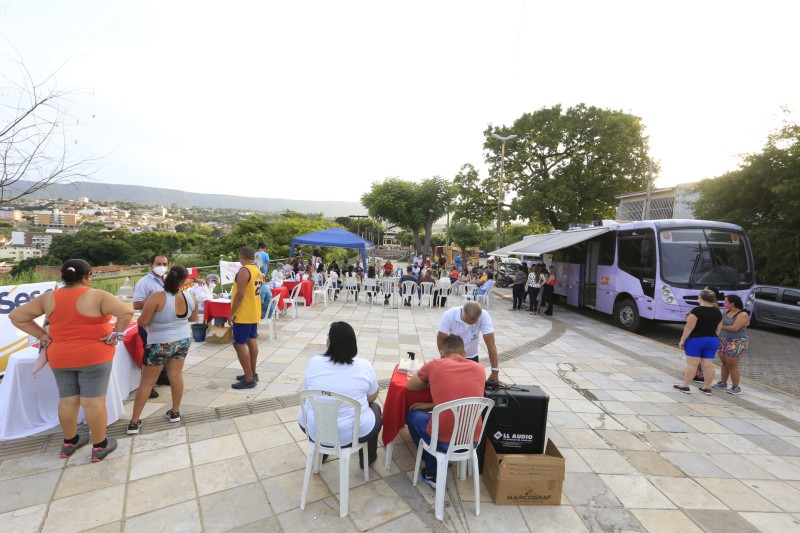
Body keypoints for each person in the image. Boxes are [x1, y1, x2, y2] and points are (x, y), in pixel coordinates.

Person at [9, 259, 133, 462]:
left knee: (67, 399)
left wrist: (42, 335)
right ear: (88, 276)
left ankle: (69, 441)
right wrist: (115, 336)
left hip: (61, 356)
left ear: (63, 276)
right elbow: (127, 312)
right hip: (95, 355)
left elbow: (16, 316)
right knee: (93, 402)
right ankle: (99, 445)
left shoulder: (49, 297)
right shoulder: (98, 295)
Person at [298, 322, 382, 469]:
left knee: (318, 405)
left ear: (330, 343)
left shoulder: (314, 363)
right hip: (351, 433)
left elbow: (308, 390)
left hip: (314, 427)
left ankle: (321, 452)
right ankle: (367, 458)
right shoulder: (364, 366)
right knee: (375, 408)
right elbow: (371, 397)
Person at [406, 334, 486, 487]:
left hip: (443, 441)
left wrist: (432, 382)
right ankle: (438, 459)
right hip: (472, 440)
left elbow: (410, 386)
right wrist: (430, 405)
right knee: (433, 417)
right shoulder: (480, 369)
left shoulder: (435, 365)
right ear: (464, 354)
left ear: (442, 352)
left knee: (411, 415)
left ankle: (431, 467)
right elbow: (462, 397)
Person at [127, 266, 198, 434]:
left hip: (159, 343)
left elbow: (142, 322)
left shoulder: (157, 297)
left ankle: (134, 421)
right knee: (176, 376)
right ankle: (175, 412)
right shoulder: (191, 297)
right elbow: (193, 318)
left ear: (166, 278)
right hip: (182, 340)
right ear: (183, 281)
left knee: (147, 382)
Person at [133, 254, 170, 397]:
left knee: (163, 351)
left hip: (164, 323)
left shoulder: (167, 280)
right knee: (150, 355)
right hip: (148, 323)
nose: (162, 267)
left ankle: (162, 376)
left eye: (164, 264)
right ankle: (148, 386)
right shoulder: (144, 282)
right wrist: (157, 304)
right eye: (158, 264)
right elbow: (137, 304)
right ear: (151, 264)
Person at [675, 289, 722, 395]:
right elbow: (718, 328)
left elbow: (689, 327)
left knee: (692, 364)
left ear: (700, 298)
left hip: (696, 340)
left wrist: (682, 340)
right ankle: (707, 387)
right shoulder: (718, 311)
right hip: (712, 340)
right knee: (708, 365)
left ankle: (685, 386)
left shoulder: (696, 311)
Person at [230, 247, 265, 389]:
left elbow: (240, 294)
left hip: (244, 313)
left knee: (239, 344)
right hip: (253, 311)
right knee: (251, 341)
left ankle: (249, 378)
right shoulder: (258, 270)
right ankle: (252, 372)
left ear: (241, 256)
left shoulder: (244, 270)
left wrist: (232, 313)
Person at [438, 302, 500, 382]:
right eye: (466, 321)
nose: (468, 325)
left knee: (473, 383)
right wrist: (443, 358)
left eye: (472, 323)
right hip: (452, 357)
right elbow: (440, 338)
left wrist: (495, 371)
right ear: (462, 312)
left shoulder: (484, 316)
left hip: (472, 356)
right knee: (451, 383)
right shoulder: (450, 315)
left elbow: (491, 344)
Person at [712, 295, 750, 395]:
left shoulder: (742, 314)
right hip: (724, 340)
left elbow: (734, 328)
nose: (724, 303)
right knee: (724, 363)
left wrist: (720, 326)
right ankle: (723, 382)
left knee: (732, 365)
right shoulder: (726, 312)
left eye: (726, 301)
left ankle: (736, 387)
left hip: (736, 342)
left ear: (732, 303)